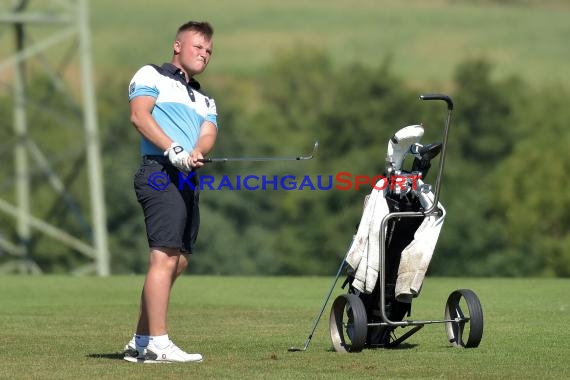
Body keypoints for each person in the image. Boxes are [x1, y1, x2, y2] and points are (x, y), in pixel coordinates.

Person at [123, 21, 218, 364]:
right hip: (159, 172)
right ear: (178, 46)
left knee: (178, 260)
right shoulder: (151, 74)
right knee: (163, 257)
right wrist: (173, 148)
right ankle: (158, 344)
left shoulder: (205, 98)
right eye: (197, 47)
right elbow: (139, 115)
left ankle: (140, 340)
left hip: (186, 178)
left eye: (208, 50)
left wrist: (195, 150)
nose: (204, 54)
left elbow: (208, 133)